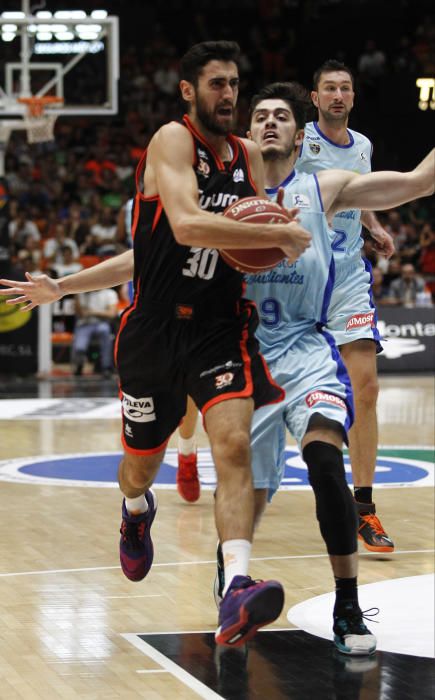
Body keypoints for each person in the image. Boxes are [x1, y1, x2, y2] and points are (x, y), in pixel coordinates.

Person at [0, 41, 312, 648]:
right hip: (155, 333)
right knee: (138, 469)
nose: (229, 93)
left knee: (232, 447)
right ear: (189, 91)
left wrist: (336, 219)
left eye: (235, 83)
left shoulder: (247, 156)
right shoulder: (173, 141)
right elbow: (180, 229)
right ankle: (137, 510)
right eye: (217, 83)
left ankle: (237, 586)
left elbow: (328, 190)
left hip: (220, 330)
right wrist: (62, 286)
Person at [212, 81, 434, 654]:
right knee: (249, 496)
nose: (268, 123)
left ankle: (349, 603)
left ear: (298, 132)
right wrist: (62, 286)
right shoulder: (223, 194)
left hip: (309, 351)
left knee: (323, 458)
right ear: (245, 131)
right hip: (246, 356)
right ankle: (232, 579)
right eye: (258, 115)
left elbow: (415, 184)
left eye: (281, 116)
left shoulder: (324, 186)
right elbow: (156, 246)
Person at [297, 59, 396, 553]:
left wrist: (374, 225)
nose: (338, 95)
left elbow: (365, 191)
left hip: (349, 280)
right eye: (329, 88)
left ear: (353, 98)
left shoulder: (362, 147)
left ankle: (364, 509)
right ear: (314, 98)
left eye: (345, 88)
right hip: (298, 279)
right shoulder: (297, 142)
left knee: (367, 388)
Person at [72, 287, 119, 377]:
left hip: (101, 323)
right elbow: (81, 314)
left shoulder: (109, 293)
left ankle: (106, 367)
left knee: (105, 332)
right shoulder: (82, 292)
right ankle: (79, 366)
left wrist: (93, 312)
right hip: (84, 325)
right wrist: (76, 296)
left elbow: (112, 314)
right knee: (80, 347)